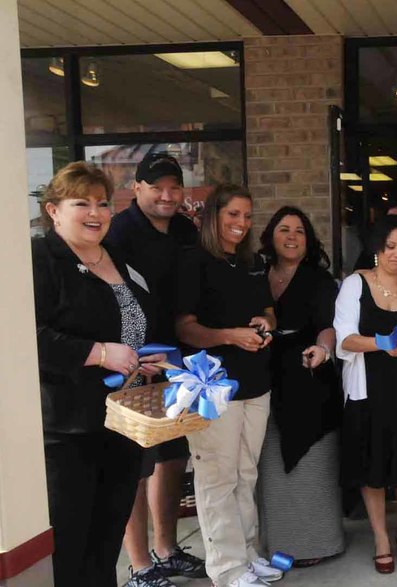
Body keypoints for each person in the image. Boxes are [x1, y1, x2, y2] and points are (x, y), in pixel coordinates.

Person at [32, 162, 166, 586]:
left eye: (102, 203)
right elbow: (28, 337)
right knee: (72, 543)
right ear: (53, 211)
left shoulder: (119, 259)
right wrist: (99, 353)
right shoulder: (41, 258)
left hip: (123, 421)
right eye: (81, 203)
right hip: (70, 428)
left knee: (108, 538)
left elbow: (132, 326)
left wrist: (140, 357)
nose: (95, 212)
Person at [174, 184, 281, 587]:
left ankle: (248, 555)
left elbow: (268, 311)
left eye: (247, 216)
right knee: (217, 478)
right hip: (212, 385)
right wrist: (230, 336)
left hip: (256, 383)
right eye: (233, 214)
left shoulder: (252, 262)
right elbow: (185, 328)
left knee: (246, 473)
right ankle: (226, 568)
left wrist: (264, 325)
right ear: (214, 215)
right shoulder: (194, 260)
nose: (241, 223)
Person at [106, 152, 205, 587]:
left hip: (179, 360)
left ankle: (167, 550)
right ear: (137, 189)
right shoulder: (119, 233)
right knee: (137, 462)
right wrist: (130, 353)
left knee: (173, 456)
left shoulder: (186, 229)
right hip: (138, 364)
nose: (167, 195)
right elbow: (114, 299)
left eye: (173, 187)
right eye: (157, 187)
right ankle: (141, 563)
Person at [334, 215, 397, 575]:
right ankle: (380, 538)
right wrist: (382, 343)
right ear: (378, 247)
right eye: (391, 246)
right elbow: (344, 338)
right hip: (367, 389)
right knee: (372, 467)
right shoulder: (354, 285)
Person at [256, 206, 345, 567]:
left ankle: (317, 544)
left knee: (313, 467)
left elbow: (328, 325)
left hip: (310, 378)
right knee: (273, 468)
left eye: (299, 231)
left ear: (308, 242)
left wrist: (323, 350)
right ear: (271, 237)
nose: (292, 237)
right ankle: (279, 544)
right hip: (265, 377)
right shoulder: (255, 275)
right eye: (284, 230)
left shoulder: (320, 280)